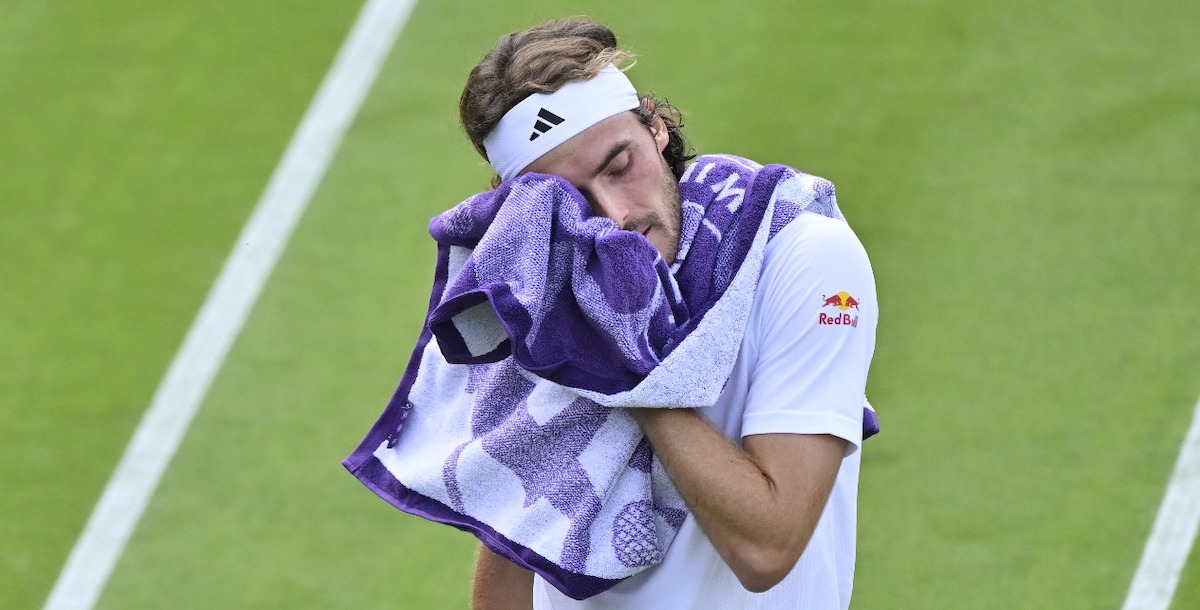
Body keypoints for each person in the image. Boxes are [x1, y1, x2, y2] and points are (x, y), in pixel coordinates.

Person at [460, 17, 878, 610]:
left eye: (618, 167)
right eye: (573, 201)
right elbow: (516, 534)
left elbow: (768, 549)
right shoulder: (545, 282)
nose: (616, 216)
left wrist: (623, 355)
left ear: (655, 127)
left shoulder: (805, 256)